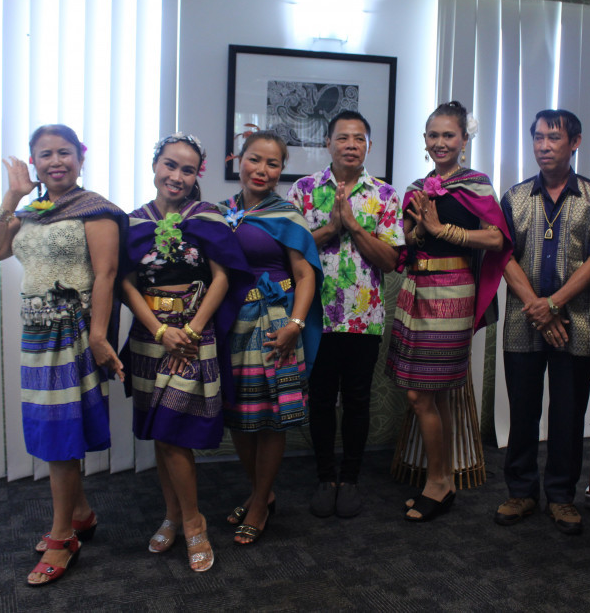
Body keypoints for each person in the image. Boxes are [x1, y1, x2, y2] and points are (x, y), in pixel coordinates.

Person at [0, 124, 126, 586]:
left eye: (64, 152)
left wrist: (100, 337)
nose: (55, 161)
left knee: (60, 436)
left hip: (73, 333)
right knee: (50, 427)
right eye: (45, 155)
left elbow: (106, 275)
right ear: (34, 162)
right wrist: (12, 196)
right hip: (37, 336)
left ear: (81, 157)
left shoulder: (94, 209)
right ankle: (79, 512)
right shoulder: (31, 212)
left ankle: (63, 537)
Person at [119, 133, 249, 571]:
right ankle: (172, 515)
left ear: (198, 175)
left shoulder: (207, 216)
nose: (176, 176)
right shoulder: (133, 223)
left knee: (174, 427)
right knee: (162, 429)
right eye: (170, 165)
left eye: (187, 169)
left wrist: (190, 330)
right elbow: (125, 283)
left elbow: (223, 278)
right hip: (150, 337)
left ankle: (193, 522)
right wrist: (159, 330)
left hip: (194, 335)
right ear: (155, 164)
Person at [387, 101, 510, 522]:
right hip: (415, 291)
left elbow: (496, 239)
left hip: (453, 292)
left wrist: (444, 230)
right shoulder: (417, 187)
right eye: (433, 136)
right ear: (425, 140)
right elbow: (409, 242)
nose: (440, 143)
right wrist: (422, 228)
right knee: (426, 393)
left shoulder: (476, 185)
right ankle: (442, 481)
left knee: (421, 393)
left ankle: (439, 481)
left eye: (448, 135)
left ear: (464, 140)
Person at [495, 109, 590, 535]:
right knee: (523, 410)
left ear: (575, 142)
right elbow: (503, 256)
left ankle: (562, 496)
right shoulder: (516, 197)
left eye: (554, 138)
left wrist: (555, 305)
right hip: (524, 320)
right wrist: (538, 309)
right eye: (538, 138)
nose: (544, 146)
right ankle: (521, 492)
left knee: (567, 412)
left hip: (577, 321)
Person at [287, 111, 404, 519]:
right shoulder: (303, 191)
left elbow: (390, 261)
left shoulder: (385, 195)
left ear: (369, 145)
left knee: (356, 399)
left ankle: (350, 478)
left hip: (362, 316)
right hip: (314, 315)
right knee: (319, 399)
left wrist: (353, 226)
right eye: (343, 137)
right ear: (328, 143)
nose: (351, 144)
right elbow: (291, 254)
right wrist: (331, 228)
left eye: (359, 138)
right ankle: (325, 477)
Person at [220, 130, 323, 544]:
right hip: (233, 324)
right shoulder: (220, 213)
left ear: (281, 169)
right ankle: (261, 491)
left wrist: (294, 326)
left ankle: (260, 502)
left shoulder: (287, 215)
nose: (262, 170)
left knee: (272, 419)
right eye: (254, 160)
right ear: (238, 161)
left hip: (276, 323)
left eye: (272, 163)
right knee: (240, 418)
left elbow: (305, 276)